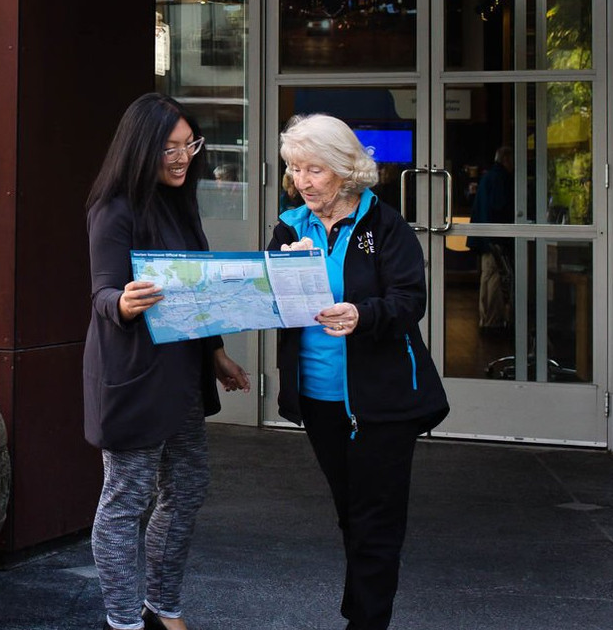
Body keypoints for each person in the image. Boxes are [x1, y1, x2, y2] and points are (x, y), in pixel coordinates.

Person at [269, 113, 449, 630]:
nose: (301, 181)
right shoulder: (290, 226)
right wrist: (278, 276)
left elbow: (410, 300)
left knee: (376, 520)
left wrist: (362, 313)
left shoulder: (385, 227)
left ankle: (367, 622)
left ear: (346, 170)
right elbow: (268, 299)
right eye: (294, 169)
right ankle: (362, 613)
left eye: (314, 170)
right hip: (321, 398)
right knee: (352, 512)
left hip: (382, 400)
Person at [84, 92, 251, 630]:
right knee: (125, 499)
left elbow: (197, 290)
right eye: (170, 147)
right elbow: (103, 293)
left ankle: (163, 604)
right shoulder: (114, 207)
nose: (182, 157)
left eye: (189, 145)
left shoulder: (180, 202)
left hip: (182, 373)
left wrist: (217, 351)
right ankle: (123, 620)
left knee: (187, 488)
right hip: (133, 374)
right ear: (142, 147)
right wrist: (123, 303)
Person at [467, 146, 514, 331]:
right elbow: (500, 207)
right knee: (495, 277)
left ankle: (486, 318)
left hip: (484, 236)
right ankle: (493, 320)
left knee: (487, 277)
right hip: (494, 237)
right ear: (506, 159)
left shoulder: (489, 177)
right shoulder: (501, 178)